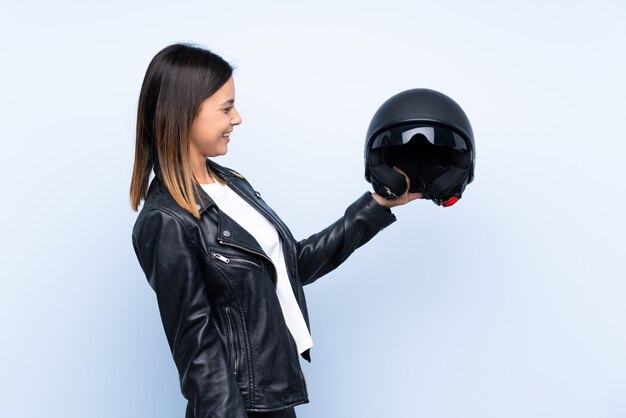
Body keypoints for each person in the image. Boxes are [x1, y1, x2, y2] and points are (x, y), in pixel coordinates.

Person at [129, 42, 422, 418]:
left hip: (273, 401)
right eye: (225, 108)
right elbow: (196, 349)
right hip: (237, 408)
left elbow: (290, 265)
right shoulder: (164, 220)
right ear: (185, 113)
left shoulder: (232, 185)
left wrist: (376, 206)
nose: (237, 119)